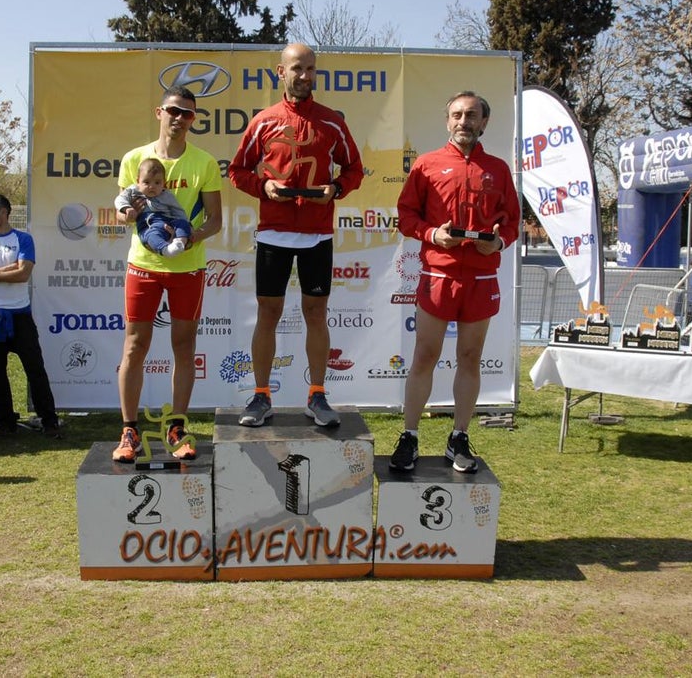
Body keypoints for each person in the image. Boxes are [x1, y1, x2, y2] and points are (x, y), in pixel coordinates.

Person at [228, 43, 364, 428]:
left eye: (310, 69)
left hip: (317, 235)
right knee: (267, 314)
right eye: (297, 69)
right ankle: (261, 396)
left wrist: (335, 189)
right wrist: (263, 188)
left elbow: (354, 169)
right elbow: (238, 170)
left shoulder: (331, 121)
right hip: (273, 233)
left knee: (316, 313)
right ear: (280, 72)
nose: (304, 76)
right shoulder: (263, 121)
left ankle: (317, 395)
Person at [390, 91, 521, 474]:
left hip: (480, 277)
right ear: (448, 121)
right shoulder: (427, 165)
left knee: (469, 358)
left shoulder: (497, 168)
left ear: (484, 122)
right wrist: (433, 236)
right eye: (457, 115)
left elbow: (511, 221)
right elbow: (405, 216)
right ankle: (409, 435)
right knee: (425, 356)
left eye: (472, 115)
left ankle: (458, 436)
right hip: (438, 275)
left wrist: (498, 242)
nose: (464, 121)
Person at [113, 86, 223, 462]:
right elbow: (122, 208)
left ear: (193, 120)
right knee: (134, 347)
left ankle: (177, 427)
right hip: (143, 266)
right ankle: (129, 432)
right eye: (174, 111)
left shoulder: (204, 162)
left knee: (184, 348)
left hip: (187, 269)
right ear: (159, 112)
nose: (179, 119)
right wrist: (125, 216)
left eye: (188, 114)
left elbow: (215, 221)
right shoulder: (134, 158)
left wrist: (194, 236)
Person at [0, 194, 62, 439]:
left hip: (20, 315)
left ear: (3, 213)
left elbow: (23, 274)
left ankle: (49, 420)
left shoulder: (23, 239)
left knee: (35, 369)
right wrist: (5, 270)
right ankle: (4, 422)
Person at [114, 157, 193, 258]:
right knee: (152, 235)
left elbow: (178, 211)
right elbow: (120, 199)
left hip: (168, 221)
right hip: (148, 224)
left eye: (157, 183)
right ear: (138, 181)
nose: (152, 186)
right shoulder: (132, 190)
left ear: (164, 183)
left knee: (182, 223)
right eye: (146, 182)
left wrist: (185, 224)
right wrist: (127, 209)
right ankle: (165, 250)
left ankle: (180, 242)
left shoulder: (167, 195)